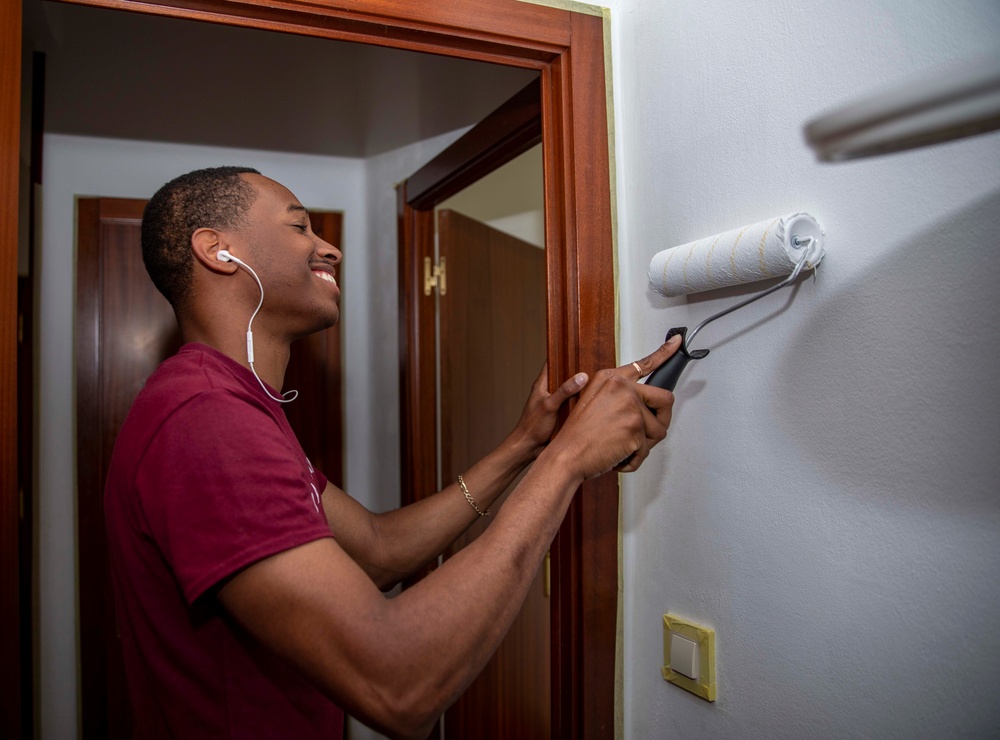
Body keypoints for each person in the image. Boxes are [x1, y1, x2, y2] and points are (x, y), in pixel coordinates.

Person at [104, 166, 681, 740]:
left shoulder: (236, 406)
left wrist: (527, 446)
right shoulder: (206, 421)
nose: (328, 248)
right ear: (219, 251)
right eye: (300, 227)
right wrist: (568, 462)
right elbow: (399, 682)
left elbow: (379, 552)